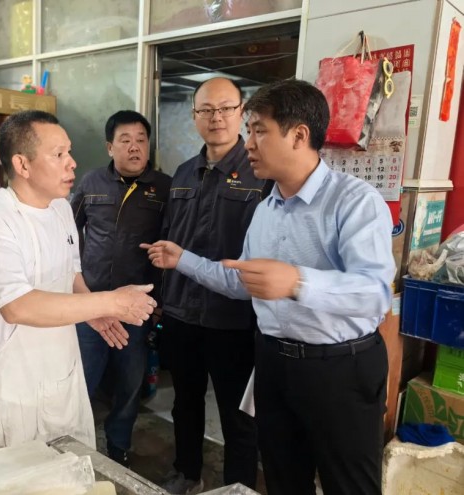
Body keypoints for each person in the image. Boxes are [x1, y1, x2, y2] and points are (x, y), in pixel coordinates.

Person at [144, 79, 395, 495]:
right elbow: (241, 281)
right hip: (273, 363)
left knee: (348, 484)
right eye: (250, 131)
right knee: (282, 478)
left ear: (298, 135)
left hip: (338, 369)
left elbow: (375, 293)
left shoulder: (354, 201)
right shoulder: (266, 209)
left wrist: (297, 281)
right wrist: (182, 259)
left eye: (259, 130)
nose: (249, 143)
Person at [0, 110, 156, 449]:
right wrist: (111, 301)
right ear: (23, 165)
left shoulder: (61, 208)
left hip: (61, 365)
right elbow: (17, 307)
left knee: (70, 460)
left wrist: (93, 309)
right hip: (12, 380)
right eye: (59, 154)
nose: (72, 163)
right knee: (20, 471)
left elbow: (71, 272)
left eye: (69, 152)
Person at [142, 77, 270, 493]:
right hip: (182, 313)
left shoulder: (261, 174)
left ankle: (237, 486)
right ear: (194, 116)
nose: (216, 118)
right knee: (185, 402)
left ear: (242, 113)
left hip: (233, 318)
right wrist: (161, 299)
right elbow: (168, 237)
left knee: (238, 416)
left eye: (226, 108)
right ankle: (187, 472)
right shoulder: (182, 174)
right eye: (206, 110)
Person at [71, 110, 171, 466]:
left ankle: (118, 446)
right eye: (125, 140)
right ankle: (74, 444)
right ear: (109, 147)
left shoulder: (165, 187)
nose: (134, 147)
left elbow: (171, 248)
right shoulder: (91, 182)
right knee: (81, 381)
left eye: (141, 140)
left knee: (129, 386)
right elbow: (67, 230)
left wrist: (159, 302)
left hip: (136, 308)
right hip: (91, 304)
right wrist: (77, 281)